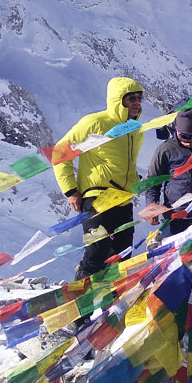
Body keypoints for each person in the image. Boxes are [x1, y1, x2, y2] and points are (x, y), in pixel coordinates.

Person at [52, 77, 144, 281]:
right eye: (131, 99)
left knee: (123, 255)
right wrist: (70, 190)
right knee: (96, 251)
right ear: (117, 101)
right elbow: (59, 153)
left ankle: (111, 305)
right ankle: (79, 307)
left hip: (123, 200)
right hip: (96, 200)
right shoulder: (94, 123)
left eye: (139, 98)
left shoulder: (134, 129)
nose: (137, 102)